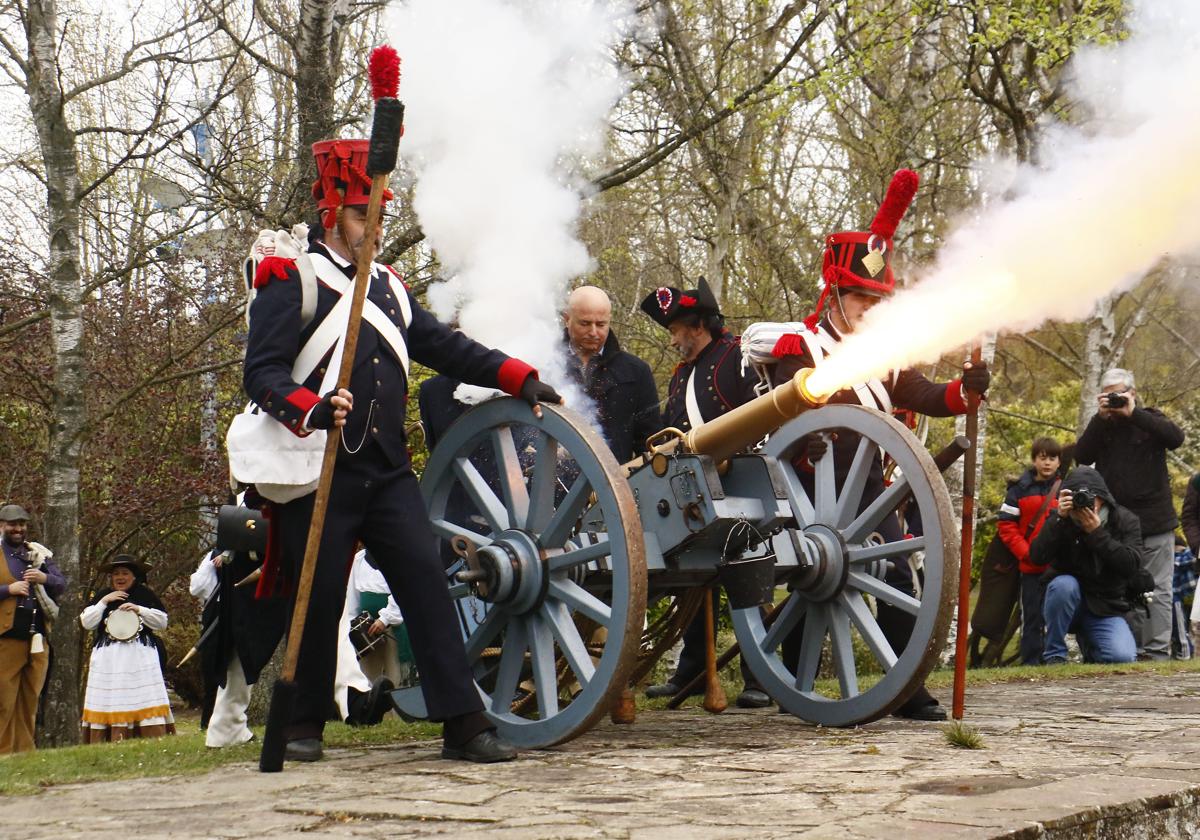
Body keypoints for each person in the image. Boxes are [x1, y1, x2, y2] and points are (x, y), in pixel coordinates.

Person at [243, 137, 560, 763]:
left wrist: (515, 374)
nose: (377, 227)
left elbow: (448, 349)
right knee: (322, 593)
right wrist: (310, 408)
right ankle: (303, 722)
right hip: (321, 467)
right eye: (367, 214)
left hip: (385, 470)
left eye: (382, 213)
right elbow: (263, 372)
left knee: (426, 584)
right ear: (334, 214)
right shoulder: (292, 278)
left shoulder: (387, 285)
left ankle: (464, 723)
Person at [768, 169, 989, 720]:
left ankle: (907, 686)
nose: (872, 310)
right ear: (837, 297)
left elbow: (923, 393)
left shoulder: (885, 353)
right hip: (807, 488)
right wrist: (804, 445)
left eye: (877, 299)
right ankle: (781, 678)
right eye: (864, 299)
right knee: (807, 580)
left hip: (869, 489)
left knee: (900, 577)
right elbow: (781, 411)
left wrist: (964, 390)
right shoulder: (803, 345)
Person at [637, 276, 769, 708]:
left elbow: (761, 418)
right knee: (690, 576)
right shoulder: (681, 377)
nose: (673, 340)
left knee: (747, 573)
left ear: (695, 325)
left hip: (739, 482)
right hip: (691, 492)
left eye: (675, 330)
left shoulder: (738, 359)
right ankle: (692, 671)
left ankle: (760, 677)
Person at [1073, 368, 1184, 660]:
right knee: (1122, 588)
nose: (1114, 398)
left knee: (1158, 589)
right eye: (1108, 392)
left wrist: (1133, 412)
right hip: (1118, 525)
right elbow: (1082, 457)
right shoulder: (1103, 427)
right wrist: (1099, 417)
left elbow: (1176, 438)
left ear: (1132, 393)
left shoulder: (1150, 419)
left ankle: (1157, 652)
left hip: (1156, 521)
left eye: (1119, 392)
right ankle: (1131, 651)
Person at [1030, 467, 1140, 664]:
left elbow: (1131, 566)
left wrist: (1097, 533)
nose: (1084, 503)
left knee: (1122, 657)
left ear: (1104, 498)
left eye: (1090, 497)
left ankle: (1091, 649)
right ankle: (1054, 655)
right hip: (1066, 601)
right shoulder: (1060, 519)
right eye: (1077, 497)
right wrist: (1058, 520)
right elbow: (1037, 557)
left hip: (1105, 606)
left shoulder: (1124, 520)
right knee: (1064, 584)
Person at [80, 556, 175, 742]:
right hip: (108, 657)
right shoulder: (103, 595)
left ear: (134, 576)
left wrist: (139, 609)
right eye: (116, 574)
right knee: (111, 695)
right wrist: (104, 602)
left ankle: (148, 733)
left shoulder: (145, 594)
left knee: (140, 694)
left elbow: (163, 621)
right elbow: (86, 622)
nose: (120, 577)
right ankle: (108, 736)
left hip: (139, 655)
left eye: (125, 573)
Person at [562, 285, 662, 461]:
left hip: (615, 482)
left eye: (601, 324)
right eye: (585, 323)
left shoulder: (636, 371)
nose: (593, 332)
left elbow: (649, 443)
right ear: (567, 319)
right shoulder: (544, 363)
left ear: (609, 321)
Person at [0, 504, 64, 753]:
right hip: (7, 637)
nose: (18, 529)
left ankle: (25, 753)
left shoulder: (37, 554)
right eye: (12, 524)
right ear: (2, 526)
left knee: (30, 699)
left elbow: (61, 583)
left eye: (22, 524)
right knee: (4, 700)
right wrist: (9, 590)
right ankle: (3, 754)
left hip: (38, 637)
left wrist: (44, 578)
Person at [996, 437, 1062, 665]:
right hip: (1030, 567)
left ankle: (1055, 660)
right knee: (1032, 616)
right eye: (1042, 458)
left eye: (1052, 458)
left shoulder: (1066, 489)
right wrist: (1026, 553)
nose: (1047, 463)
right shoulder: (1018, 490)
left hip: (1058, 567)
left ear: (1058, 462)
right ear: (1034, 460)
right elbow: (1006, 526)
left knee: (1055, 615)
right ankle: (1031, 662)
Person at [1170, 534, 1195, 660]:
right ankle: (1182, 653)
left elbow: (1190, 556)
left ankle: (1185, 654)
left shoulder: (1180, 558)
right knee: (1179, 629)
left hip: (1176, 600)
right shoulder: (1178, 558)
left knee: (1180, 630)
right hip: (1175, 599)